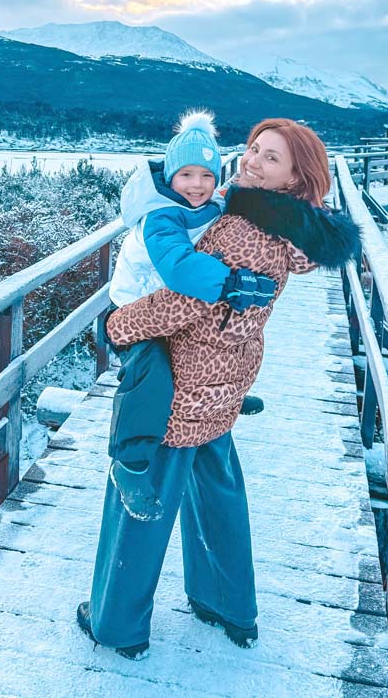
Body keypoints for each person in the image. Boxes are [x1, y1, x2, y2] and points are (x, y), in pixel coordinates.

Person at [78, 118, 360, 660]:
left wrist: (117, 326)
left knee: (140, 507)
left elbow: (182, 303)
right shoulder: (281, 224)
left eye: (271, 158)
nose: (251, 160)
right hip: (224, 380)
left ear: (294, 178)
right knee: (218, 496)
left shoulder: (238, 232)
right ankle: (229, 606)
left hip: (182, 384)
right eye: (253, 148)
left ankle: (115, 626)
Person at [107, 110, 277, 523]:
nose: (197, 185)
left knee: (223, 349)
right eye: (186, 175)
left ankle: (225, 397)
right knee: (152, 376)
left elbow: (230, 204)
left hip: (165, 310)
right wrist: (232, 283)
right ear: (170, 176)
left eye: (206, 175)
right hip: (132, 312)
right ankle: (129, 463)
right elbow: (180, 269)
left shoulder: (204, 203)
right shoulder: (162, 216)